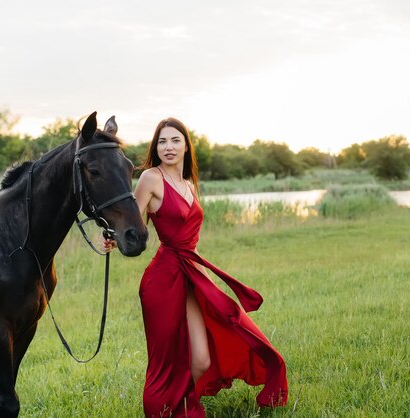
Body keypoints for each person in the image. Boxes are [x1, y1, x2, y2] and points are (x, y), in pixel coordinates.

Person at [103, 117, 288, 417]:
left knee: (200, 359)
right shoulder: (151, 178)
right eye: (162, 141)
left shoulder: (189, 183)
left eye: (175, 140)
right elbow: (131, 227)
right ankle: (161, 410)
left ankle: (183, 406)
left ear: (187, 146)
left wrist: (204, 282)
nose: (168, 147)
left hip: (191, 273)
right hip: (162, 281)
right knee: (166, 363)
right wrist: (110, 237)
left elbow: (191, 240)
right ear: (156, 147)